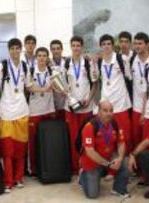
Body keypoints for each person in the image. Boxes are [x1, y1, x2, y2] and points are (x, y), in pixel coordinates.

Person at [0, 38, 30, 193]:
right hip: (6, 113)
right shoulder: (2, 66)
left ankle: (18, 178)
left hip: (22, 112)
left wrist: (46, 89)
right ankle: (8, 181)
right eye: (13, 48)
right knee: (7, 151)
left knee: (20, 149)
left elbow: (29, 86)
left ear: (21, 50)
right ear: (9, 50)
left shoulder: (24, 66)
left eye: (18, 48)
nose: (15, 51)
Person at [79, 100, 130, 199]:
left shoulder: (115, 123)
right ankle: (83, 176)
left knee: (126, 161)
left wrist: (119, 159)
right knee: (92, 195)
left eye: (111, 110)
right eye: (105, 110)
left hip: (108, 159)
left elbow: (121, 143)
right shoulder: (90, 127)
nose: (109, 113)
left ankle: (118, 189)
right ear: (98, 112)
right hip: (92, 163)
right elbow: (90, 152)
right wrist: (108, 164)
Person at [94, 34, 133, 153]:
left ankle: (127, 161)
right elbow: (95, 78)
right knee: (108, 134)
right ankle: (110, 159)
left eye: (108, 44)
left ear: (112, 45)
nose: (106, 46)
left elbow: (129, 77)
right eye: (103, 44)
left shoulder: (122, 59)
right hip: (106, 103)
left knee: (124, 133)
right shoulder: (98, 61)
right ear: (100, 46)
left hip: (121, 102)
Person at [64, 36, 97, 174]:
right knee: (73, 138)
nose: (76, 48)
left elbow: (95, 84)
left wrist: (89, 99)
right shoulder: (65, 64)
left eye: (78, 45)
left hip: (86, 107)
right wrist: (70, 98)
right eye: (74, 45)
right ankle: (75, 168)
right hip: (71, 108)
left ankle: (86, 166)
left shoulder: (89, 63)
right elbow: (63, 86)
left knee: (86, 138)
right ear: (71, 47)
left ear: (82, 47)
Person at [27, 47, 56, 176]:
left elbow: (58, 86)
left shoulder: (52, 71)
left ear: (47, 57)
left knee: (48, 141)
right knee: (33, 142)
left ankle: (48, 165)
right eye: (39, 55)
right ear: (36, 57)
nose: (42, 58)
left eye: (44, 55)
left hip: (49, 109)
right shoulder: (31, 70)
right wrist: (44, 89)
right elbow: (29, 87)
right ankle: (33, 169)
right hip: (34, 111)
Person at [130, 32, 149, 149]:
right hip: (136, 107)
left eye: (140, 43)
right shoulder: (132, 59)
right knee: (136, 139)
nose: (137, 46)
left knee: (148, 140)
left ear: (147, 45)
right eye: (136, 43)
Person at [50, 39, 66, 120]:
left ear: (62, 49)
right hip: (53, 101)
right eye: (53, 49)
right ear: (51, 50)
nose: (56, 51)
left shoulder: (67, 62)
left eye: (58, 48)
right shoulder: (47, 64)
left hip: (66, 100)